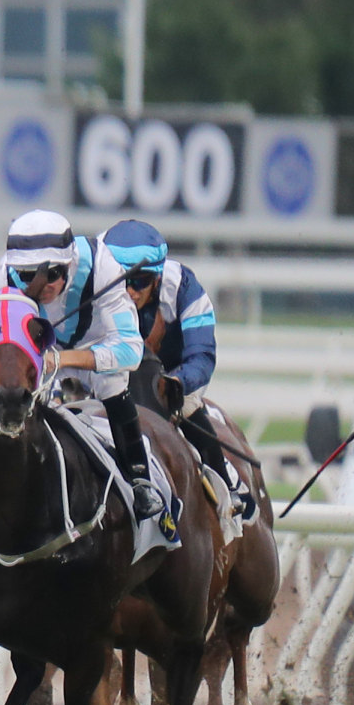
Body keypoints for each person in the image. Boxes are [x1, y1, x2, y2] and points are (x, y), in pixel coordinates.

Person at [0, 209, 163, 521]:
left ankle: (140, 479)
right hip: (41, 351)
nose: (45, 284)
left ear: (70, 262)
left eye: (54, 273)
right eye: (30, 277)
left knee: (112, 385)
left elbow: (131, 350)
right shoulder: (4, 275)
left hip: (95, 349)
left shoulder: (102, 265)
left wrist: (63, 359)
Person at [105, 220, 256, 519]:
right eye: (122, 280)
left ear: (159, 279)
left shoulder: (185, 288)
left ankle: (225, 481)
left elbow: (201, 357)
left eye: (141, 281)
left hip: (164, 378)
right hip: (108, 373)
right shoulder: (91, 283)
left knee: (186, 404)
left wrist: (177, 382)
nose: (131, 292)